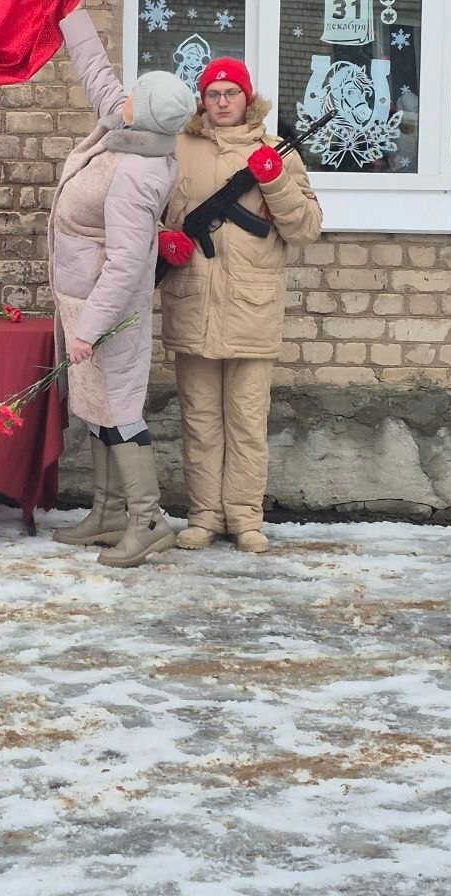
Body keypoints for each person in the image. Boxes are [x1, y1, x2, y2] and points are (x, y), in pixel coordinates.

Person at [157, 57, 323, 554]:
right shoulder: (177, 150)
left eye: (231, 93)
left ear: (247, 100)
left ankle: (246, 518)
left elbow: (306, 230)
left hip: (252, 309)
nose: (223, 102)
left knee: (248, 422)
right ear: (202, 101)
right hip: (192, 303)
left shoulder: (276, 152)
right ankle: (204, 515)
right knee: (200, 420)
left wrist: (273, 181)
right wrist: (163, 240)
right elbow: (146, 211)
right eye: (214, 94)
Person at [48, 8, 194, 568]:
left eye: (136, 93)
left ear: (147, 114)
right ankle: (108, 512)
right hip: (84, 300)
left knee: (122, 408)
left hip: (111, 311)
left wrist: (88, 329)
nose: (124, 94)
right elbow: (98, 75)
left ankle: (147, 518)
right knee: (95, 405)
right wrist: (69, 9)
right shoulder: (129, 130)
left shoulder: (139, 173)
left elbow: (130, 264)